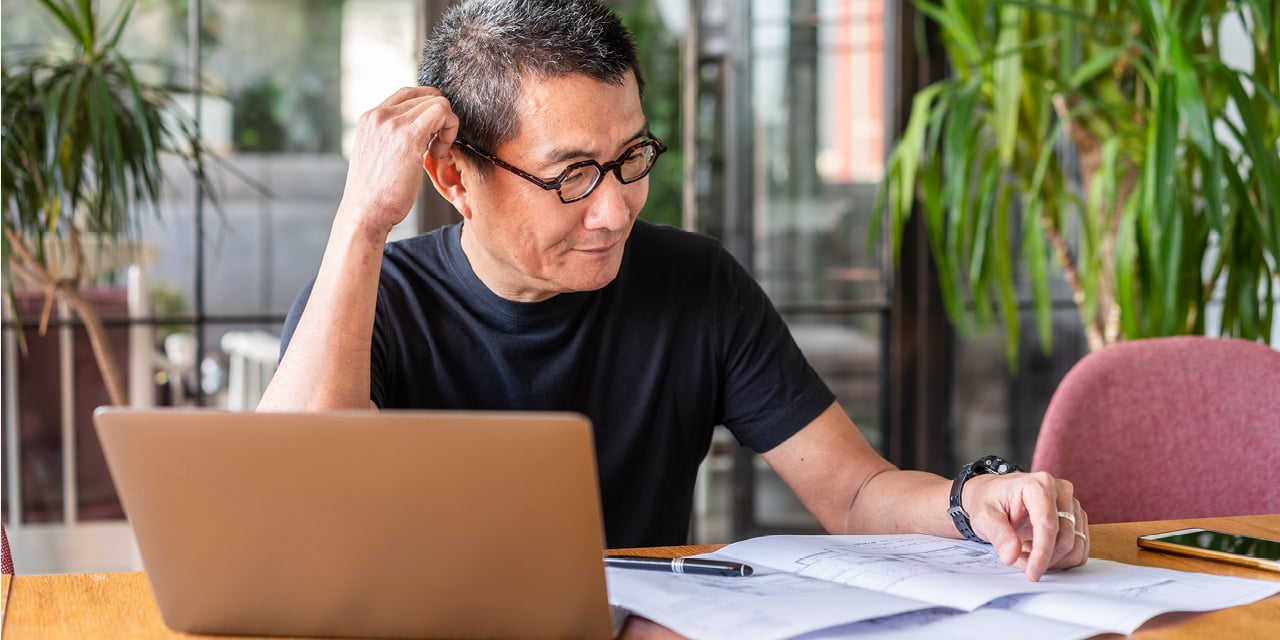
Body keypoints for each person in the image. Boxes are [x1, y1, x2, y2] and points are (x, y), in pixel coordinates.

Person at [258, 0, 1088, 581]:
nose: (615, 210)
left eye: (630, 158)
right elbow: (289, 506)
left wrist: (969, 498)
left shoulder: (696, 285)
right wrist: (364, 221)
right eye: (573, 175)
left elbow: (856, 493)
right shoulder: (369, 297)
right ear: (453, 175)